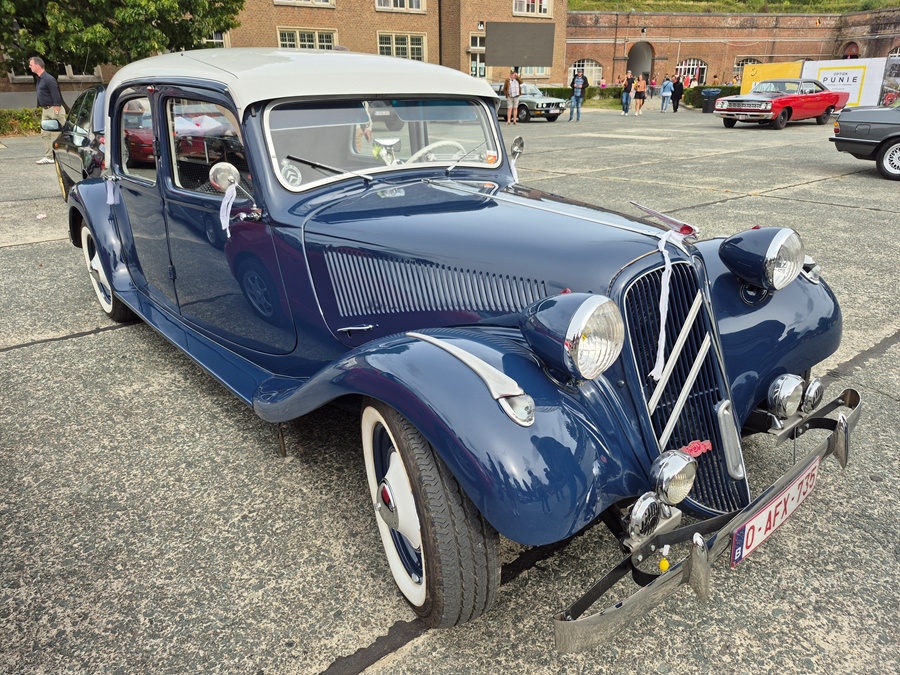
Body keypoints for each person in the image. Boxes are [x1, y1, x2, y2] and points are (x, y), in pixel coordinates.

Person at [29, 56, 67, 165]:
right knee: (45, 133)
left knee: (66, 131)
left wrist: (57, 108)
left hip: (54, 109)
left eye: (31, 65)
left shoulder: (48, 79)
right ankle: (49, 157)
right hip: (45, 110)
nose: (29, 67)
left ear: (37, 65)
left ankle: (72, 153)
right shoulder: (39, 79)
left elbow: (55, 93)